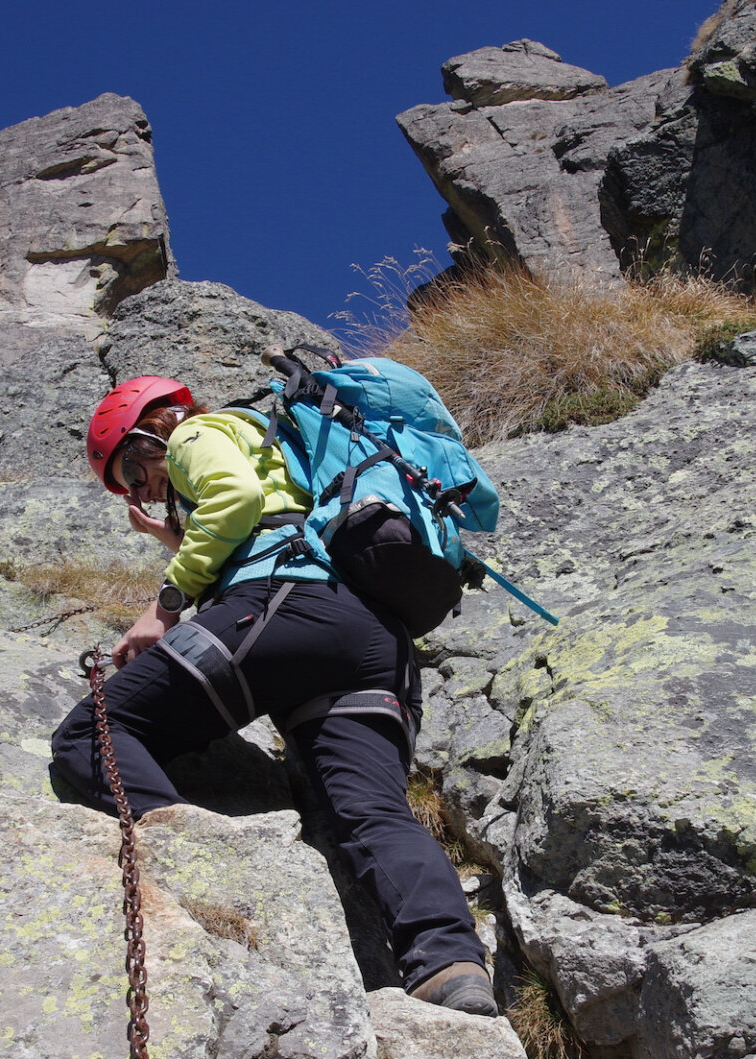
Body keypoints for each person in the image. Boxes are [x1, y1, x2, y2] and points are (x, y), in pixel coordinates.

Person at [49, 375, 496, 1016]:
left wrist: (164, 606)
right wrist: (173, 543)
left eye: (133, 471)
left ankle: (199, 878)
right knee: (370, 812)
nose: (144, 490)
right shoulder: (282, 446)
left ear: (149, 430)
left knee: (91, 731)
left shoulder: (196, 431)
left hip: (284, 607)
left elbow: (232, 501)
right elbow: (260, 517)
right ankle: (449, 965)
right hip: (371, 641)